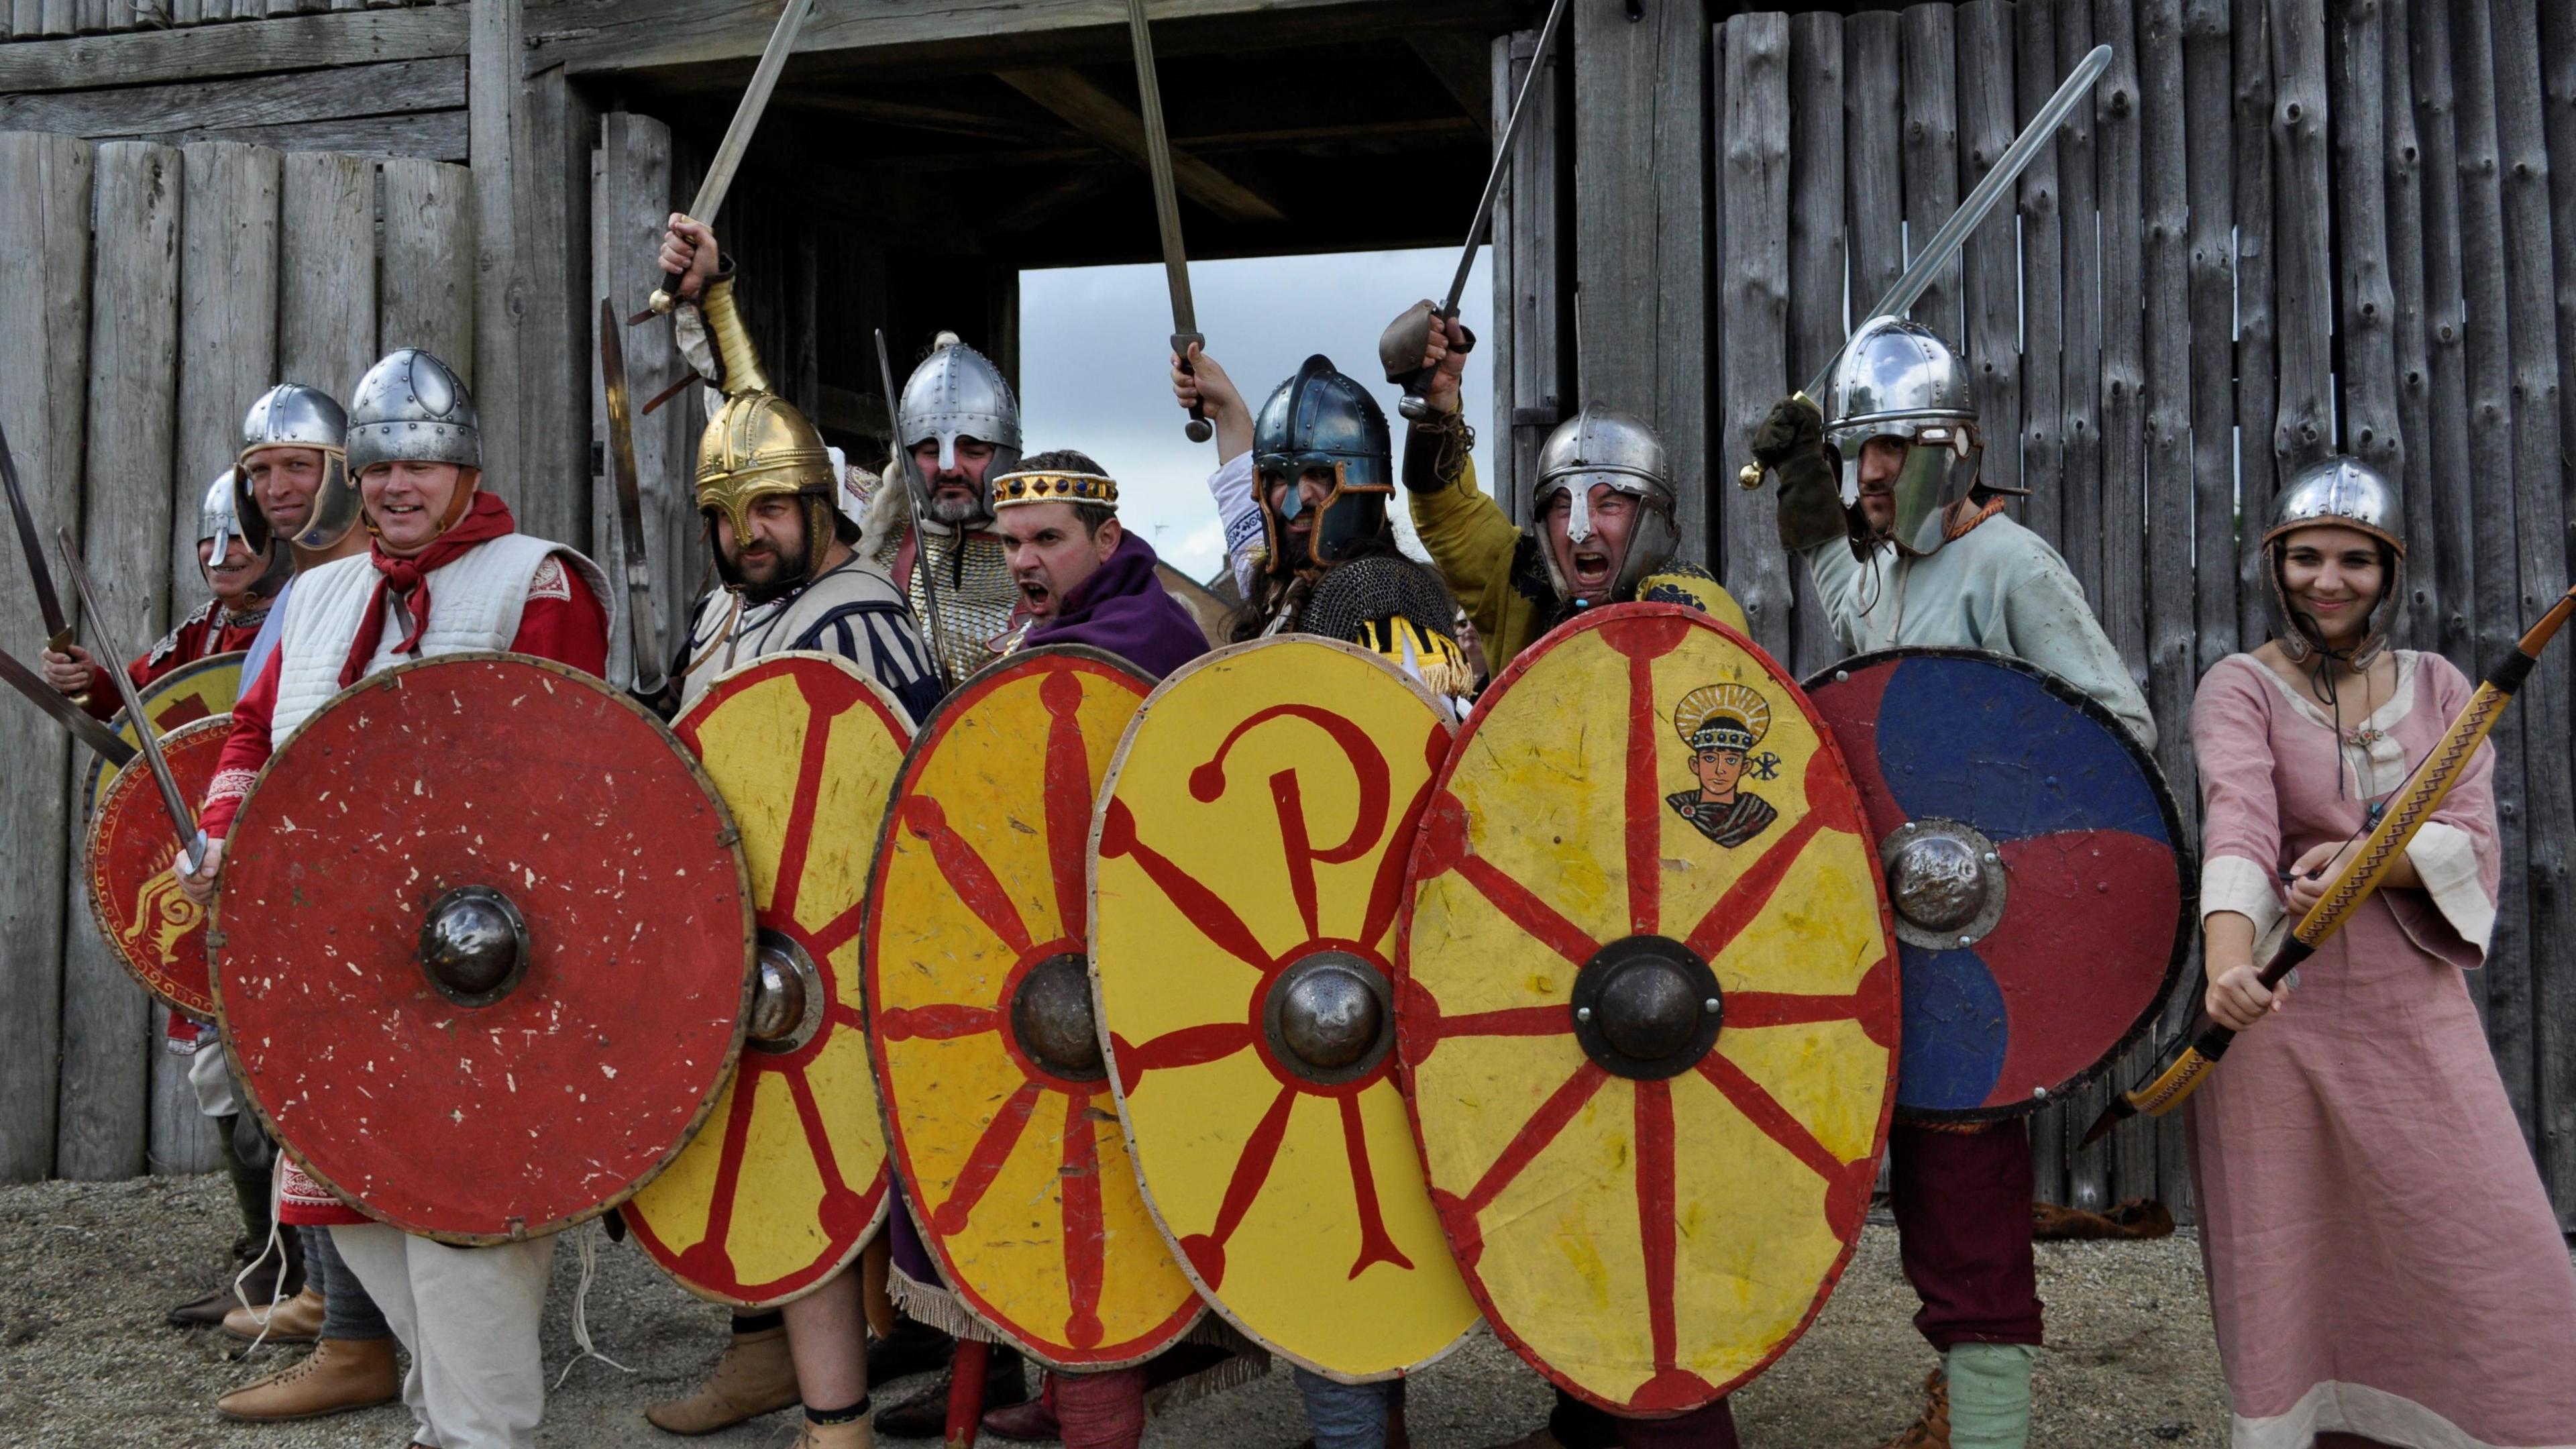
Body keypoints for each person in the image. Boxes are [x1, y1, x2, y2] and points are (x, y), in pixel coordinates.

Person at [179, 347, 610, 1449]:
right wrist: (226, 831)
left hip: (490, 976)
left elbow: (575, 780)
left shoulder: (538, 580)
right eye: (376, 471)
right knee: (365, 1212)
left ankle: (478, 1431)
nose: (396, 488)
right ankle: (441, 1414)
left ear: (465, 471)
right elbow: (248, 729)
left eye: (420, 466)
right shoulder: (322, 593)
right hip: (342, 968)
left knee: (468, 1227)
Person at [1751, 315, 2153, 1449]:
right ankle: (1958, 1403)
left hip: (1979, 934)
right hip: (1892, 945)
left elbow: (2116, 734)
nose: (1871, 476)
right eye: (1856, 452)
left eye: (1893, 451)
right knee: (1920, 1205)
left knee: (1972, 1215)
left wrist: (1992, 800)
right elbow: (1862, 617)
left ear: (1954, 449)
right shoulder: (1893, 574)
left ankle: (1988, 1430)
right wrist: (1799, 481)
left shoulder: (2011, 565)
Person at [651, 216, 1021, 1438]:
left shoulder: (857, 614)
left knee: (824, 1181)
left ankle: (862, 1398)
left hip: (844, 960)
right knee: (749, 1171)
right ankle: (790, 1379)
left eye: (767, 511)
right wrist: (716, 308)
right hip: (740, 945)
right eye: (726, 514)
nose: (744, 533)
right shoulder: (724, 616)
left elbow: (916, 805)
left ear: (818, 509)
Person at [2186, 458, 2576, 1449]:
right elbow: (2236, 826)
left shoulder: (2444, 687)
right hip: (2279, 1014)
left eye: (2354, 559)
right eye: (2306, 557)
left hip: (2411, 1007)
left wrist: (2371, 861)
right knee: (2292, 1260)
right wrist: (2232, 970)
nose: (2329, 579)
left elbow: (2471, 840)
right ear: (2274, 565)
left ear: (2388, 571)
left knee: (2492, 1245)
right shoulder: (2240, 687)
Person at [42, 469, 294, 1332]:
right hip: (209, 883)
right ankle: (268, 1246)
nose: (222, 556)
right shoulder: (204, 632)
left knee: (274, 1073)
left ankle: (286, 1266)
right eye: (209, 539)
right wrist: (85, 678)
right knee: (219, 1072)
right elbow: (138, 697)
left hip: (290, 887)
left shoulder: (305, 621)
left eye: (240, 539)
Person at [662, 218, 1026, 688]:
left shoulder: (1041, 551)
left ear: (1006, 450)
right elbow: (762, 437)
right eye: (930, 450)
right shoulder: (867, 515)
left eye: (973, 449)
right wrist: (711, 298)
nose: (950, 467)